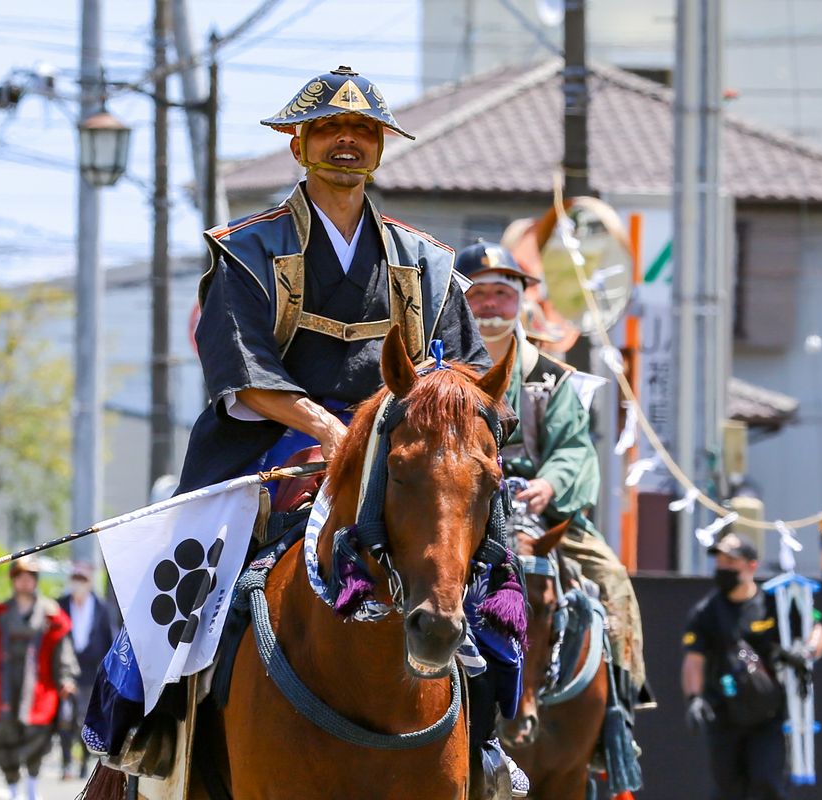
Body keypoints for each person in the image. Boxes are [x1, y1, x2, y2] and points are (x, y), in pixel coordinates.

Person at [85, 65, 517, 792]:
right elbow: (242, 366)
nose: (346, 142)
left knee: (493, 578)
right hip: (269, 447)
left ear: (380, 148)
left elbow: (465, 374)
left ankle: (494, 743)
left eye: (363, 132)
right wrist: (328, 428)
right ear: (298, 145)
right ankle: (126, 748)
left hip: (401, 445)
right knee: (175, 584)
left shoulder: (429, 264)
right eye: (328, 129)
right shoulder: (246, 248)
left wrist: (401, 431)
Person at [459, 240, 650, 709]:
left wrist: (550, 484)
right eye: (476, 293)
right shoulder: (442, 372)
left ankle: (618, 710)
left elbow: (573, 448)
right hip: (458, 506)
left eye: (501, 292)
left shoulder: (554, 378)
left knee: (611, 580)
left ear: (521, 299)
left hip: (534, 510)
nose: (489, 304)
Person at [681, 534, 822, 800]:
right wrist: (694, 698)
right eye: (720, 562)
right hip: (723, 714)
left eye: (731, 561)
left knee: (767, 783)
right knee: (727, 789)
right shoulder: (706, 612)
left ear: (751, 566)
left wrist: (806, 651)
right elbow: (694, 660)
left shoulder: (774, 604)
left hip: (768, 716)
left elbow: (817, 629)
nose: (723, 568)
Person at [0, 557, 79, 800]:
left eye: (30, 577)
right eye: (20, 577)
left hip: (39, 688)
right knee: (3, 736)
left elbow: (62, 650)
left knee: (37, 738)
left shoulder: (51, 615)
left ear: (36, 581)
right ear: (13, 580)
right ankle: (12, 789)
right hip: (6, 687)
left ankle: (31, 787)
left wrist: (66, 677)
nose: (25, 582)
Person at [57, 561, 116, 780]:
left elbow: (110, 640)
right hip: (66, 674)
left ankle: (82, 764)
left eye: (83, 579)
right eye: (76, 579)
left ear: (89, 582)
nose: (79, 583)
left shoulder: (101, 608)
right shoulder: (60, 605)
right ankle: (65, 763)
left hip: (92, 675)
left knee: (84, 720)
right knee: (65, 719)